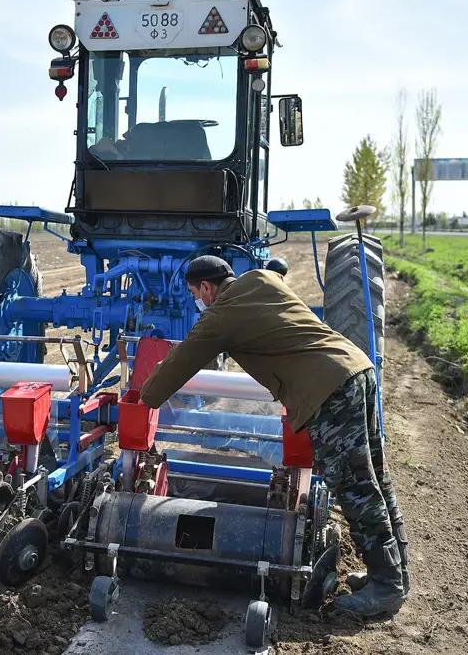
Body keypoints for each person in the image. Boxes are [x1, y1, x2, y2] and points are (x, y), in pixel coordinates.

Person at [139, 255, 408, 617]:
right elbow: (276, 270)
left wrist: (145, 396)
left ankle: (386, 587)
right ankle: (394, 572)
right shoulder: (261, 278)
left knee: (355, 486)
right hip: (357, 369)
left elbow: (181, 362)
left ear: (206, 287)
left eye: (195, 294)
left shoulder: (221, 315)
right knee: (375, 476)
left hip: (328, 390)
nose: (196, 301)